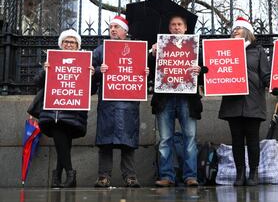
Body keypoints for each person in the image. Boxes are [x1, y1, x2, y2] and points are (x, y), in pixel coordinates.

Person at [218, 17, 278, 186]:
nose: (235, 31)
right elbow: (218, 69)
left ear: (247, 32)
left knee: (252, 140)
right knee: (237, 140)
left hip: (253, 101)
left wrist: (273, 86)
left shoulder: (258, 50)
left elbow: (265, 73)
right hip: (233, 102)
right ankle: (239, 174)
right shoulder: (225, 51)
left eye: (239, 28)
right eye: (234, 29)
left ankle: (253, 174)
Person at [150, 14, 205, 187]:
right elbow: (149, 73)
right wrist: (152, 55)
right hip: (165, 99)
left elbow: (208, 72)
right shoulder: (160, 46)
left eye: (179, 24)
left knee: (190, 137)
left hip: (187, 100)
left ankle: (191, 176)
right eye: (173, 24)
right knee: (165, 139)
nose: (176, 27)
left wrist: (200, 69)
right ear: (169, 28)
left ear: (186, 27)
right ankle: (166, 176)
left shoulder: (196, 48)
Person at [36, 29, 94, 188]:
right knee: (60, 137)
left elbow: (91, 90)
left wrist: (92, 76)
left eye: (72, 42)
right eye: (66, 42)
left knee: (64, 142)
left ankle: (57, 176)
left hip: (73, 112)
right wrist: (44, 71)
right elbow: (38, 83)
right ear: (61, 44)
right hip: (53, 111)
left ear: (77, 46)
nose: (69, 44)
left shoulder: (85, 62)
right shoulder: (51, 60)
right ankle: (69, 173)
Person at [92, 15, 143, 188]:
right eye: (111, 26)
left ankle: (130, 176)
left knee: (127, 141)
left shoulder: (137, 50)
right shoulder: (100, 51)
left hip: (129, 103)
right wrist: (99, 70)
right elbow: (88, 72)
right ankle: (103, 176)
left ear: (125, 32)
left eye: (116, 27)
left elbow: (143, 74)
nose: (113, 29)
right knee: (106, 141)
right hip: (108, 104)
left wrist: (145, 71)